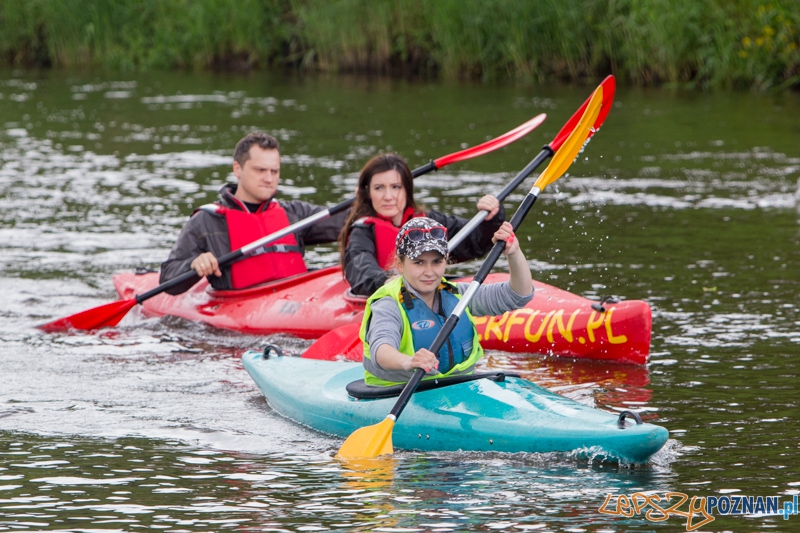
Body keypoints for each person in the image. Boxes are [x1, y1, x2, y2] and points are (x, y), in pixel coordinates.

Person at [160, 132, 348, 294]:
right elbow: (168, 278)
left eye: (275, 171)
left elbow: (349, 222)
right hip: (241, 310)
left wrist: (368, 199)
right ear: (237, 169)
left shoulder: (294, 213)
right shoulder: (207, 221)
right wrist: (194, 264)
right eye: (260, 170)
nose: (269, 178)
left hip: (295, 299)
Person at [360, 216, 534, 387]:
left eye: (436, 262)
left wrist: (514, 253)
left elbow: (518, 295)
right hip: (399, 391)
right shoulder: (388, 303)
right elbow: (381, 349)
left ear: (446, 260)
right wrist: (409, 361)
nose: (429, 272)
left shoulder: (459, 294)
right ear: (400, 264)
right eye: (419, 263)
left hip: (457, 387)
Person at [339, 153, 505, 297]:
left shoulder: (428, 221)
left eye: (396, 187)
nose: (388, 196)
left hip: (430, 291)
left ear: (407, 190)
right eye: (379, 188)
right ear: (368, 193)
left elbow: (474, 242)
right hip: (389, 296)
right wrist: (385, 281)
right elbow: (360, 269)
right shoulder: (363, 231)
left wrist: (490, 220)